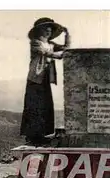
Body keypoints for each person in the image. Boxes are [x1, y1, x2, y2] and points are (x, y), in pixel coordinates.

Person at [20, 17, 70, 146]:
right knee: (34, 106)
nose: (48, 32)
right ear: (39, 31)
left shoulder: (51, 44)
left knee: (45, 105)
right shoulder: (35, 43)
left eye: (49, 30)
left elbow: (66, 48)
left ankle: (42, 135)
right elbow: (46, 53)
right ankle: (33, 136)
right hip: (35, 79)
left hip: (44, 78)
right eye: (45, 29)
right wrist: (59, 56)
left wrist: (67, 34)